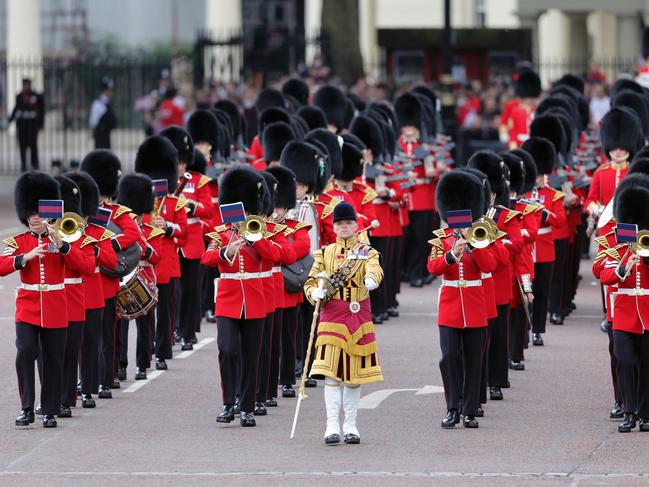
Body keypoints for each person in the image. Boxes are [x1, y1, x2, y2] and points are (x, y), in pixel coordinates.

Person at [0, 172, 86, 428]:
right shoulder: (17, 242)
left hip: (56, 307)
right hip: (27, 307)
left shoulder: (63, 239)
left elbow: (83, 265)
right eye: (31, 212)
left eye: (40, 211)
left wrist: (60, 244)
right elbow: (2, 265)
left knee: (53, 359)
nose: (36, 216)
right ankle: (27, 407)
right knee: (25, 352)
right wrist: (24, 257)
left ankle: (49, 410)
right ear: (25, 214)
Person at [202, 167, 280, 427]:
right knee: (227, 350)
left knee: (251, 355)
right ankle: (228, 403)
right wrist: (226, 251)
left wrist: (255, 239)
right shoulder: (220, 233)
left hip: (255, 301)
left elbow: (280, 256)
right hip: (228, 299)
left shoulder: (262, 232)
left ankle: (245, 407)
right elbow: (207, 257)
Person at [304, 202, 384, 444]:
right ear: (334, 226)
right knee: (331, 375)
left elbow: (375, 268)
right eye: (340, 224)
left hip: (358, 316)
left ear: (356, 225)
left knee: (354, 376)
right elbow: (310, 281)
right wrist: (314, 293)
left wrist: (372, 278)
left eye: (349, 223)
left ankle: (350, 425)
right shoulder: (325, 253)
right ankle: (331, 426)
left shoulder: (366, 251)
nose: (345, 227)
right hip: (332, 316)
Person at [427, 171, 497, 429]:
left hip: (475, 306)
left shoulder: (481, 237)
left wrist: (474, 246)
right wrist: (451, 254)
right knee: (449, 357)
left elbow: (490, 265)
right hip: (450, 307)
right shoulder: (441, 240)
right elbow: (433, 267)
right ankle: (452, 408)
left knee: (473, 359)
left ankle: (468, 410)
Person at [600, 173, 649, 433]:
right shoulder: (612, 240)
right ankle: (629, 411)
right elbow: (601, 271)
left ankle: (646, 413)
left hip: (648, 312)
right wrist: (622, 267)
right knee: (626, 361)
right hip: (622, 312)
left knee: (646, 364)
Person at [64, 170, 117, 408]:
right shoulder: (62, 231)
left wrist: (92, 248)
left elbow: (111, 261)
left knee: (91, 344)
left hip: (93, 295)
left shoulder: (99, 233)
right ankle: (67, 388)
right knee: (68, 345)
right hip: (68, 295)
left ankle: (87, 389)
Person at [136, 136, 188, 370]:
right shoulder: (141, 203)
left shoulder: (175, 203)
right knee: (144, 314)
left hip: (167, 263)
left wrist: (167, 226)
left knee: (165, 312)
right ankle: (144, 356)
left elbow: (184, 233)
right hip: (146, 264)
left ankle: (162, 352)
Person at [8, 78, 44, 171]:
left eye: (27, 84)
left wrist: (41, 124)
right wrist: (10, 120)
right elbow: (16, 109)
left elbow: (41, 110)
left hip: (32, 123)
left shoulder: (35, 95)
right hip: (22, 123)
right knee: (22, 144)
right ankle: (23, 164)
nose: (26, 86)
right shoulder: (19, 96)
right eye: (25, 84)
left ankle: (34, 164)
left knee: (33, 144)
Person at [89, 77, 116, 149]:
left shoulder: (107, 103)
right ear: (105, 90)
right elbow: (93, 122)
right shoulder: (98, 104)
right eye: (109, 90)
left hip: (106, 135)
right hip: (100, 136)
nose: (111, 92)